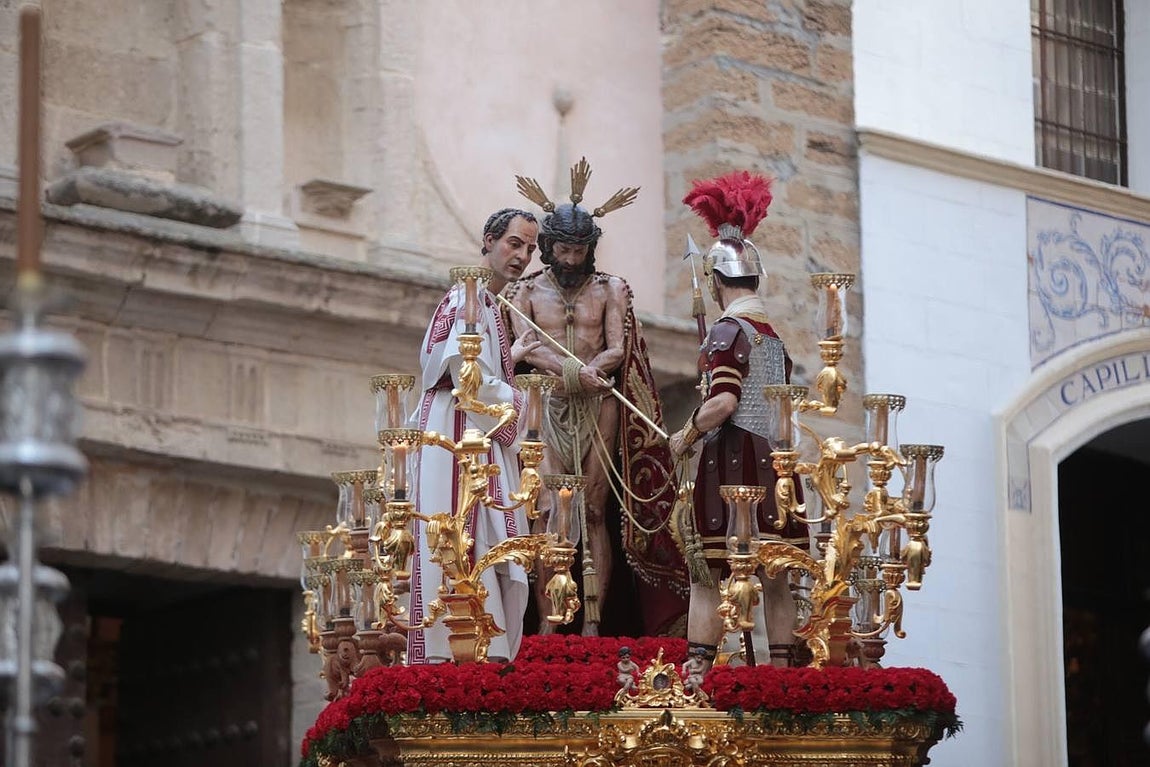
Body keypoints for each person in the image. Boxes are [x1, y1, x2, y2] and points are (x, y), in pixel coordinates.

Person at [506, 163, 687, 637]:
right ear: (548, 247)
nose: (571, 258)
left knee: (591, 510)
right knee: (549, 509)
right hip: (545, 403)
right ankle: (547, 623)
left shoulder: (611, 289)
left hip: (598, 401)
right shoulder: (524, 291)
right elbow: (526, 346)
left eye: (579, 250)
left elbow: (617, 348)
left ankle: (594, 620)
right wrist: (569, 370)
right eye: (563, 249)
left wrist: (593, 372)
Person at [669, 171, 807, 669]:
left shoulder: (727, 330)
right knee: (776, 576)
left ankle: (698, 672)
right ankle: (784, 672)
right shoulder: (772, 335)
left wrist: (686, 433)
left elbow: (724, 402)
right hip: (778, 466)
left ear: (715, 280)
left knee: (706, 573)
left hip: (735, 465)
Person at [407, 208, 541, 664]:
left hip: (471, 432)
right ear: (488, 240)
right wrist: (526, 406)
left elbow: (481, 370)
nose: (522, 255)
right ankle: (458, 652)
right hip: (457, 433)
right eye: (514, 243)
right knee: (459, 535)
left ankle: (482, 646)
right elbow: (468, 380)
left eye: (529, 248)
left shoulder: (485, 303)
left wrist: (512, 358)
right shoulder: (466, 298)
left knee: (479, 536)